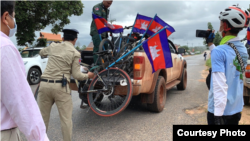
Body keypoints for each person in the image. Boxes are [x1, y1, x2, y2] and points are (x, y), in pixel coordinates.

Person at [0, 0, 49, 140]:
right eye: (13, 16)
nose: (14, 21)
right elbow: (20, 102)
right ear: (5, 17)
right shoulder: (4, 47)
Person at [37, 29, 95, 141]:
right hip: (60, 87)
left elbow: (41, 53)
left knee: (42, 120)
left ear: (63, 38)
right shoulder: (75, 53)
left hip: (44, 85)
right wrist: (89, 75)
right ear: (75, 40)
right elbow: (77, 75)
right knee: (66, 120)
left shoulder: (53, 46)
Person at [206, 5, 250, 125]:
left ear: (225, 25)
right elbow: (227, 57)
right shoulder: (242, 49)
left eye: (221, 22)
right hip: (236, 108)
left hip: (220, 112)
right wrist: (211, 44)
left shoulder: (220, 51)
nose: (219, 25)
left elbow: (220, 86)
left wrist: (217, 116)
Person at [90, 0, 113, 65]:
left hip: (104, 32)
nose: (109, 5)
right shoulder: (97, 7)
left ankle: (105, 67)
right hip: (97, 31)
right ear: (104, 0)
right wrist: (108, 25)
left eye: (110, 4)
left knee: (105, 50)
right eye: (108, 3)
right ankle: (97, 67)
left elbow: (105, 21)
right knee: (98, 50)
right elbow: (99, 18)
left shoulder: (107, 10)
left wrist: (109, 28)